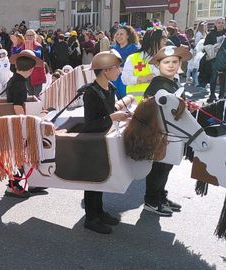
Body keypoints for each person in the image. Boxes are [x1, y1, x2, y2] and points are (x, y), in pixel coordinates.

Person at [81, 50, 129, 234]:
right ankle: (90, 218)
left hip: (105, 139)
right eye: (117, 67)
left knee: (101, 179)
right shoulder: (91, 93)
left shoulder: (110, 88)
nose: (119, 70)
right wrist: (112, 117)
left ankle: (99, 212)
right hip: (93, 141)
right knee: (92, 181)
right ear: (106, 70)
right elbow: (90, 123)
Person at [141, 45, 192, 216]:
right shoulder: (157, 85)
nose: (171, 65)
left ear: (179, 64)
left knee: (166, 167)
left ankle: (161, 196)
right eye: (166, 62)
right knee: (158, 168)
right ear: (158, 65)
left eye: (174, 62)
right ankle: (151, 200)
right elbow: (149, 109)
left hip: (172, 133)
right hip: (159, 134)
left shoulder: (172, 82)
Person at [3, 50, 41, 198]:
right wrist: (26, 124)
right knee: (18, 156)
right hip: (17, 124)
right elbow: (17, 106)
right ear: (31, 70)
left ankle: (27, 182)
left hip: (12, 123)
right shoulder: (19, 83)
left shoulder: (15, 79)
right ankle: (13, 186)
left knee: (18, 155)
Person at [122, 28, 166, 103]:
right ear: (153, 40)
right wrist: (143, 78)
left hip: (160, 105)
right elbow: (125, 79)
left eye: (166, 38)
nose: (166, 40)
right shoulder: (133, 58)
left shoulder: (166, 59)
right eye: (163, 38)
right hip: (137, 105)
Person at [112, 25, 140, 98]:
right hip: (114, 80)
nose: (118, 36)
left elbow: (138, 66)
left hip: (127, 81)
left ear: (128, 36)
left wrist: (124, 69)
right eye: (117, 34)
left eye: (121, 34)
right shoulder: (114, 48)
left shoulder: (135, 48)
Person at [204, 17, 226, 102]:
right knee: (213, 77)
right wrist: (214, 48)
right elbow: (205, 45)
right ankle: (212, 95)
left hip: (224, 59)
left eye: (222, 22)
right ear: (215, 24)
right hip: (214, 59)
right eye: (219, 22)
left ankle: (221, 95)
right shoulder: (211, 34)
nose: (220, 24)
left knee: (223, 78)